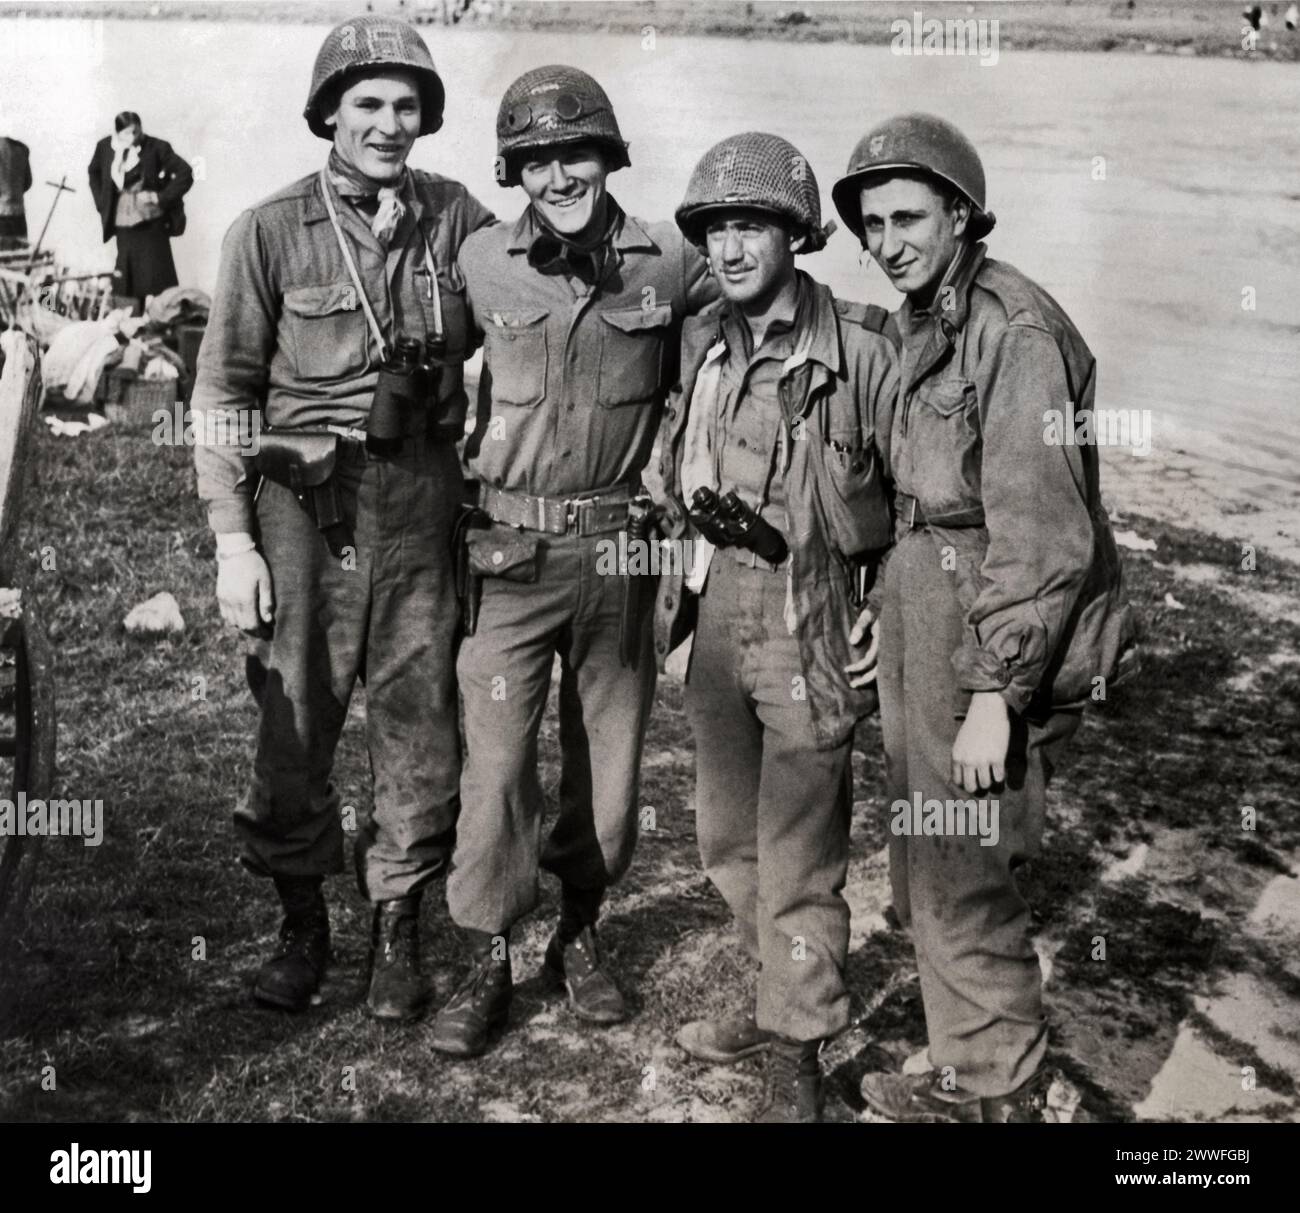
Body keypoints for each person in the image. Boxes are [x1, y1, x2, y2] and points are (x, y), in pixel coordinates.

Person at [830, 113, 1136, 1122]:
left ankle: (996, 1091)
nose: (888, 242)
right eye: (872, 224)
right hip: (929, 599)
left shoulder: (1014, 330)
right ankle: (965, 1056)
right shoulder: (930, 316)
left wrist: (995, 694)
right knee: (929, 851)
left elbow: (1044, 534)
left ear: (960, 214)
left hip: (992, 624)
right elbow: (926, 489)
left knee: (965, 862)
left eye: (908, 217)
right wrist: (885, 596)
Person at [191, 15, 494, 1021]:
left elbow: (544, 286)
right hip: (303, 512)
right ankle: (302, 925)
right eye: (367, 102)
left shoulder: (458, 217)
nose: (389, 123)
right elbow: (227, 393)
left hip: (420, 499)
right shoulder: (269, 229)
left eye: (407, 105)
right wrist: (232, 541)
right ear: (329, 112)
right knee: (295, 721)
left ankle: (394, 933)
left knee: (421, 725)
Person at [428, 65, 716, 1058]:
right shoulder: (478, 261)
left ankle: (582, 932)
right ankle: (487, 955)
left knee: (612, 767)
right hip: (506, 552)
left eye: (577, 152)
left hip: (620, 552)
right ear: (512, 169)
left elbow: (749, 340)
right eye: (537, 158)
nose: (559, 174)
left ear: (610, 155)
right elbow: (426, 379)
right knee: (497, 766)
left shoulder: (670, 261)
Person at [648, 132, 898, 1122]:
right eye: (715, 229)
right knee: (724, 840)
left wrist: (883, 601)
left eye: (751, 225)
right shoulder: (702, 338)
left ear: (795, 233)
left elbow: (925, 498)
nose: (731, 247)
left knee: (800, 853)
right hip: (717, 617)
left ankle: (798, 1046)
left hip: (810, 621)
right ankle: (775, 995)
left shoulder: (863, 351)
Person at [88, 112, 193, 310]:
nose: (135, 137)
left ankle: (165, 322)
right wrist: (103, 201)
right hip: (124, 226)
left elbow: (185, 172)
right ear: (118, 133)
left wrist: (160, 197)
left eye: (138, 131)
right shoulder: (105, 147)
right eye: (128, 133)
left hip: (152, 225)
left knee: (158, 277)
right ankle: (130, 327)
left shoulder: (157, 147)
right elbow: (93, 171)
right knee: (127, 279)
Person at [0, 134, 32, 251]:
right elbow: (28, 182)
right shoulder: (22, 148)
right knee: (19, 260)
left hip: (1, 218)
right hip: (19, 216)